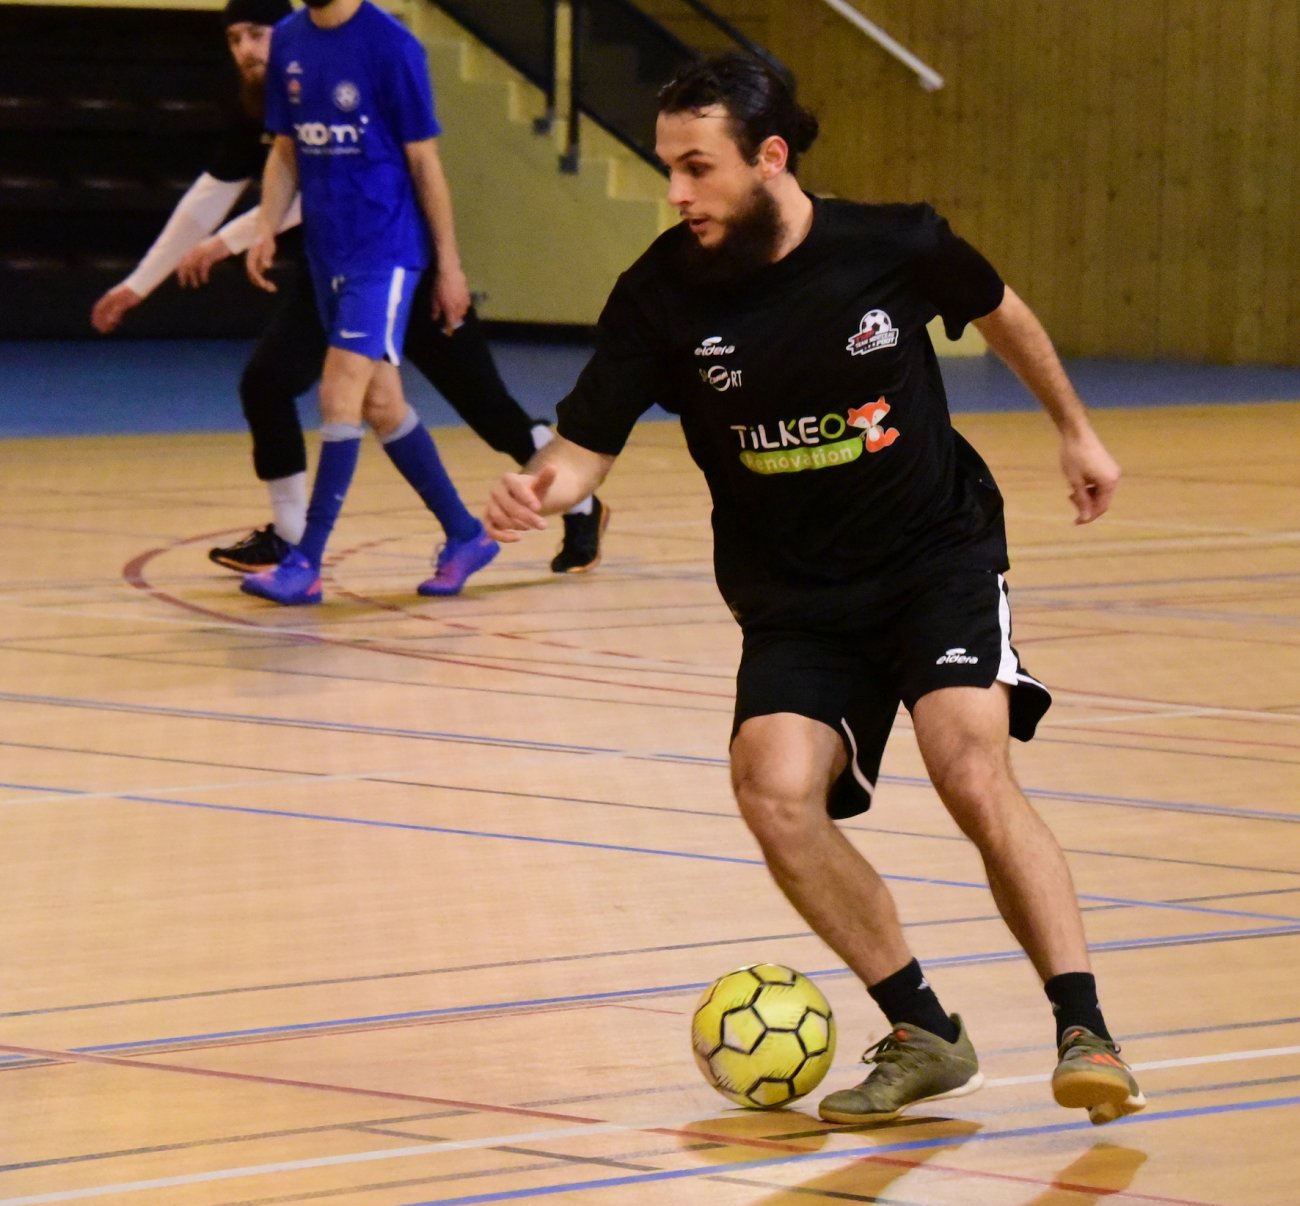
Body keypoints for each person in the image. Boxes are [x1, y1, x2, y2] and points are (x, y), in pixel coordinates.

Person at [485, 54, 1146, 1127]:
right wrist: (538, 488)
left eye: (697, 168)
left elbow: (1002, 310)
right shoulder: (660, 292)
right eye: (669, 169)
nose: (677, 193)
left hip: (934, 557)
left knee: (967, 762)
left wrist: (1075, 428)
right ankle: (924, 1026)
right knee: (771, 786)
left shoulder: (895, 244)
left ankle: (1086, 1028)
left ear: (770, 158)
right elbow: (584, 445)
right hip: (793, 595)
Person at [90, 0, 609, 584]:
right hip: (331, 262)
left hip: (396, 261)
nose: (245, 50)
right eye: (234, 38)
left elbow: (416, 162)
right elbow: (251, 178)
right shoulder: (278, 68)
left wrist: (450, 269)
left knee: (481, 408)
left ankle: (576, 500)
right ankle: (312, 539)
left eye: (253, 33)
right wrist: (148, 281)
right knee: (298, 387)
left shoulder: (385, 45)